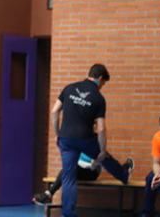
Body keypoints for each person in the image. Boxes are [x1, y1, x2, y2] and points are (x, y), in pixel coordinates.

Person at [50, 63, 134, 217]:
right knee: (105, 158)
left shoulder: (69, 88)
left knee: (69, 178)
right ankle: (123, 175)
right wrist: (101, 151)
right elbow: (101, 128)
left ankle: (68, 214)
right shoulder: (98, 98)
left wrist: (58, 134)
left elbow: (54, 111)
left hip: (66, 139)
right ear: (100, 78)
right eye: (103, 83)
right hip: (85, 138)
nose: (102, 87)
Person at [33, 151, 132, 206]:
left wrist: (94, 163)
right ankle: (49, 194)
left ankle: (125, 169)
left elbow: (100, 161)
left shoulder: (95, 142)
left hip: (91, 171)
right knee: (66, 169)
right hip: (78, 169)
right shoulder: (78, 140)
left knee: (68, 169)